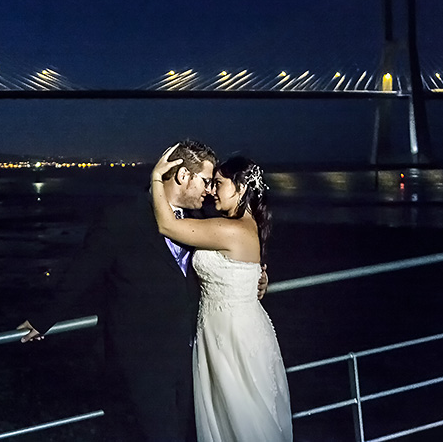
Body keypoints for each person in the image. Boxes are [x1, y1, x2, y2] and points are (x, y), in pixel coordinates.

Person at [18, 140, 268, 441]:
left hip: (194, 359)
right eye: (205, 181)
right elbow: (81, 274)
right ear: (183, 176)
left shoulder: (202, 220)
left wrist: (255, 278)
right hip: (142, 361)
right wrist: (43, 319)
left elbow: (231, 260)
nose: (209, 191)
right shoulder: (121, 218)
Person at [150, 146, 293, 442]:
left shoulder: (231, 229)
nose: (212, 191)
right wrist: (259, 278)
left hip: (231, 337)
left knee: (239, 419)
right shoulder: (246, 225)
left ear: (240, 188)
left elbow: (167, 225)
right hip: (230, 329)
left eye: (219, 183)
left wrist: (156, 178)